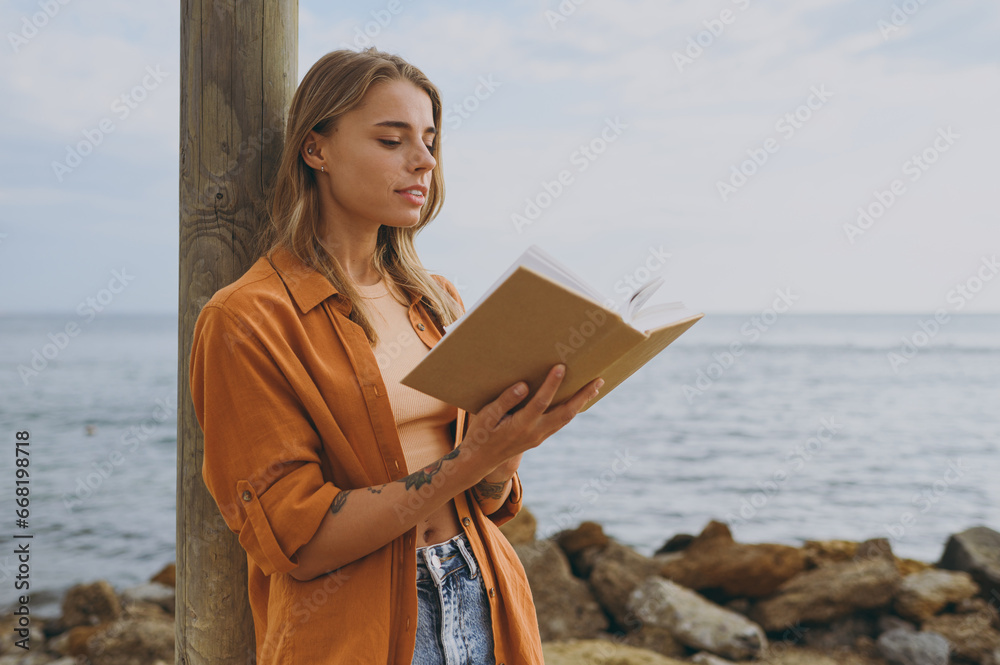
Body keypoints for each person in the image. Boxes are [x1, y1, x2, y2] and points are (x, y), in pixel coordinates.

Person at [188, 47, 605, 665]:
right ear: (317, 150)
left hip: (481, 594)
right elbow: (298, 540)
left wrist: (515, 440)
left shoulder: (437, 301)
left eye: (430, 140)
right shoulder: (247, 319)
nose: (423, 160)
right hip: (355, 626)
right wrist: (473, 458)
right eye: (391, 140)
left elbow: (487, 500)